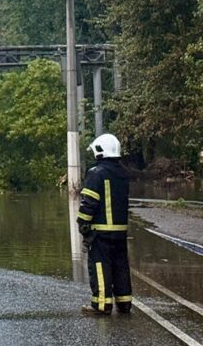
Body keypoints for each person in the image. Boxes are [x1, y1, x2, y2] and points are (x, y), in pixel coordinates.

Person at [76, 133, 132, 315]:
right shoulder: (123, 174)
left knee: (100, 265)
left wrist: (83, 222)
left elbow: (89, 202)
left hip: (101, 232)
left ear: (100, 151)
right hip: (120, 231)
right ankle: (124, 303)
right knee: (121, 266)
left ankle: (101, 305)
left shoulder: (96, 173)